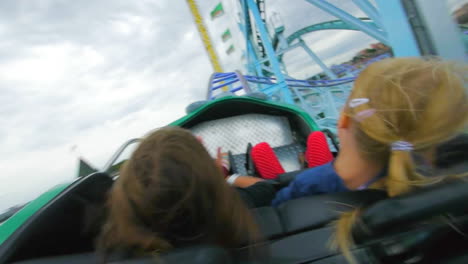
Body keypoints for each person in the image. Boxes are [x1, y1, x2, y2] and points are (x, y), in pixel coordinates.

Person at [96, 127, 259, 261]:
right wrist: (225, 177)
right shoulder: (240, 205)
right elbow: (266, 187)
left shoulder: (113, 248)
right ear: (212, 189)